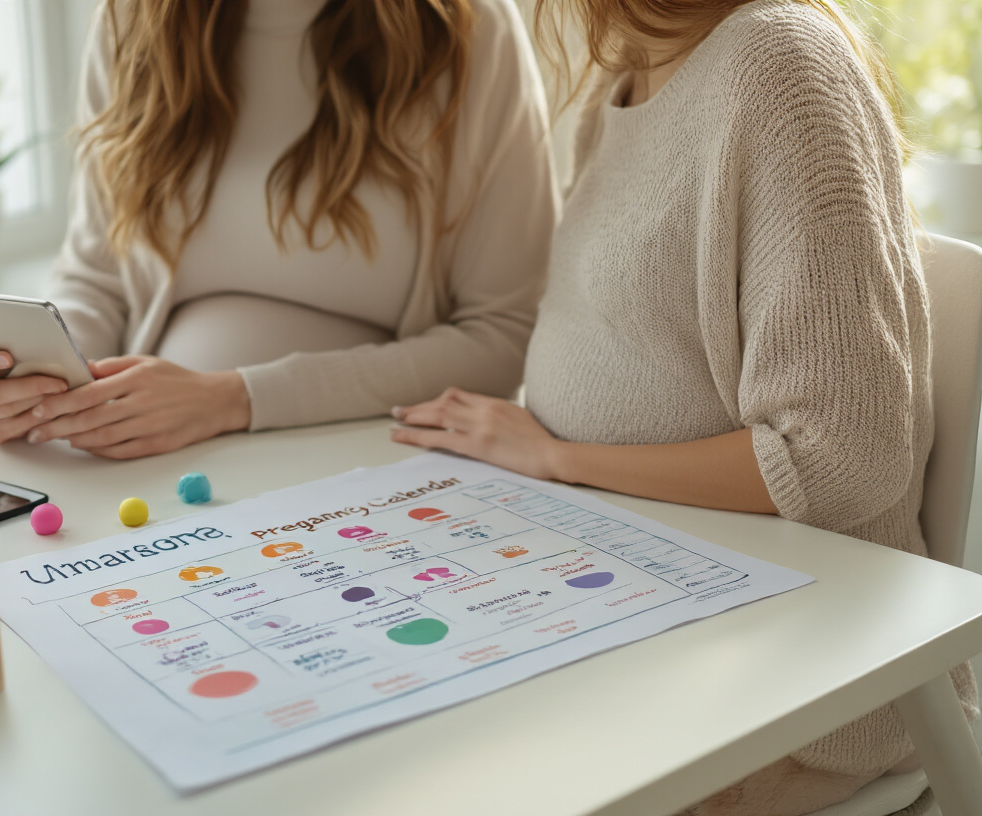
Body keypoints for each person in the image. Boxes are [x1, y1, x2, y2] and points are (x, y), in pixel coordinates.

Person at [389, 0, 978, 812]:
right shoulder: (626, 74)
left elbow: (842, 455)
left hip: (798, 677)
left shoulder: (781, 67)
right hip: (623, 587)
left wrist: (558, 459)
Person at [0, 0, 556, 459]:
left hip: (375, 455)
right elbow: (97, 276)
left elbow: (503, 337)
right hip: (163, 455)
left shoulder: (469, 30)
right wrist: (39, 379)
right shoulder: (133, 20)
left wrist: (234, 398)